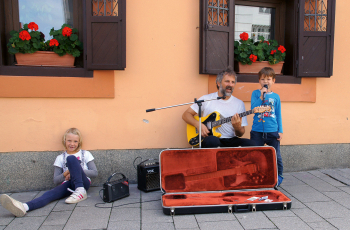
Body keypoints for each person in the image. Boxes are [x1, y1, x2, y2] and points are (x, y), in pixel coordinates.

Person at [0, 128, 98, 217]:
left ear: (79, 142)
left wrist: (76, 172)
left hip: (83, 183)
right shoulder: (60, 158)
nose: (72, 144)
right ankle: (24, 207)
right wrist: (66, 173)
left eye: (75, 141)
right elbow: (56, 180)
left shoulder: (85, 154)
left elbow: (94, 173)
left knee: (71, 159)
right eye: (69, 140)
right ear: (64, 141)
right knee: (50, 194)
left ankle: (80, 190)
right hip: (68, 184)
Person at [182, 68, 256, 148]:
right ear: (218, 83)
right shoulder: (207, 99)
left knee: (253, 145)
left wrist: (237, 127)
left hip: (231, 140)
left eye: (233, 82)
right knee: (213, 141)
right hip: (211, 138)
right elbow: (186, 115)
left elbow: (240, 133)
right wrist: (198, 124)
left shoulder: (239, 103)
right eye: (227, 81)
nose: (230, 84)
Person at [250, 67, 284, 186]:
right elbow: (253, 109)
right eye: (263, 79)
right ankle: (255, 177)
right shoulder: (255, 93)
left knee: (276, 155)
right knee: (255, 155)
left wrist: (280, 130)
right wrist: (261, 96)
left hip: (272, 130)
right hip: (257, 131)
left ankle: (278, 177)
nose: (266, 81)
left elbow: (278, 114)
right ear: (259, 80)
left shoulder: (276, 97)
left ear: (273, 81)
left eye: (269, 79)